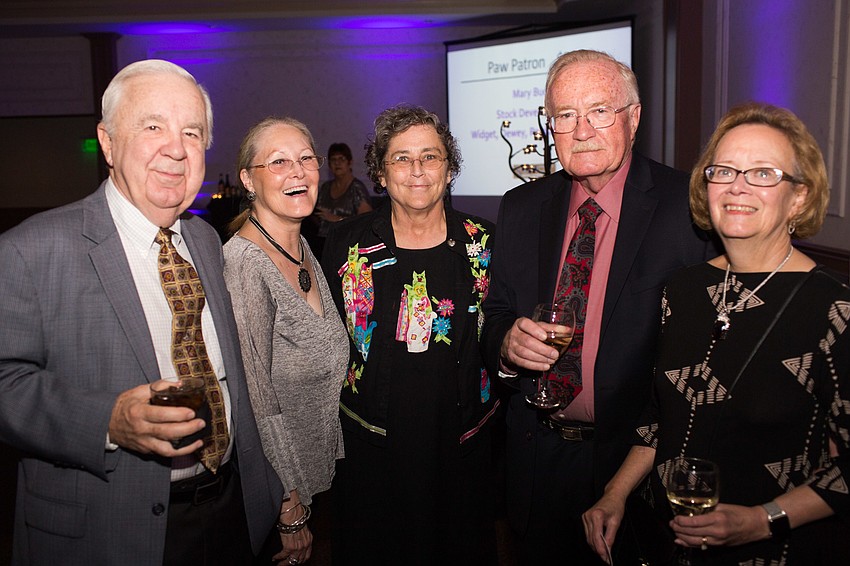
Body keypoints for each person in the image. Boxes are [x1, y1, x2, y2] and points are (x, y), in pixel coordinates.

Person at [0, 59, 284, 565]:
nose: (175, 148)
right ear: (107, 142)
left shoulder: (204, 238)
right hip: (108, 528)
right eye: (152, 126)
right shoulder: (30, 250)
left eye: (192, 132)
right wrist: (106, 421)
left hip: (232, 512)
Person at [583, 102, 850, 565]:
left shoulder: (832, 309)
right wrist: (616, 493)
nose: (738, 187)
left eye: (763, 173)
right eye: (723, 171)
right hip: (667, 542)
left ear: (800, 197)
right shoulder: (684, 289)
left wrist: (762, 519)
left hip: (774, 550)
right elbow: (658, 416)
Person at [481, 49, 717, 565]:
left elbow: (706, 358)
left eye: (599, 110)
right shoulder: (521, 207)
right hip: (536, 458)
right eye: (565, 115)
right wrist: (505, 343)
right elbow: (495, 312)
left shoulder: (689, 208)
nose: (581, 129)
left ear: (633, 118)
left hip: (635, 467)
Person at [321, 104, 499, 564]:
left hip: (462, 447)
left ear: (450, 167)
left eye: (431, 156)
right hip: (371, 448)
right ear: (380, 173)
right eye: (401, 158)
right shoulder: (345, 243)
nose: (416, 170)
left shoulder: (486, 244)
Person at [224, 116, 348, 565]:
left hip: (318, 481)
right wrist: (288, 508)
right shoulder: (246, 265)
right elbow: (255, 399)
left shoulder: (299, 244)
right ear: (248, 180)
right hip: (280, 498)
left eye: (305, 159)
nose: (297, 172)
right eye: (278, 162)